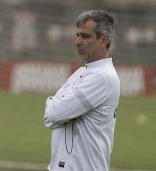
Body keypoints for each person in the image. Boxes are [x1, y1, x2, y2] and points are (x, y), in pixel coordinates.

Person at [44, 10, 120, 171]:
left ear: (103, 40)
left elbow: (52, 114)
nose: (77, 41)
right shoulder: (81, 73)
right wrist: (57, 107)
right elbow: (52, 116)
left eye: (85, 36)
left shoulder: (102, 77)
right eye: (77, 35)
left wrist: (53, 102)